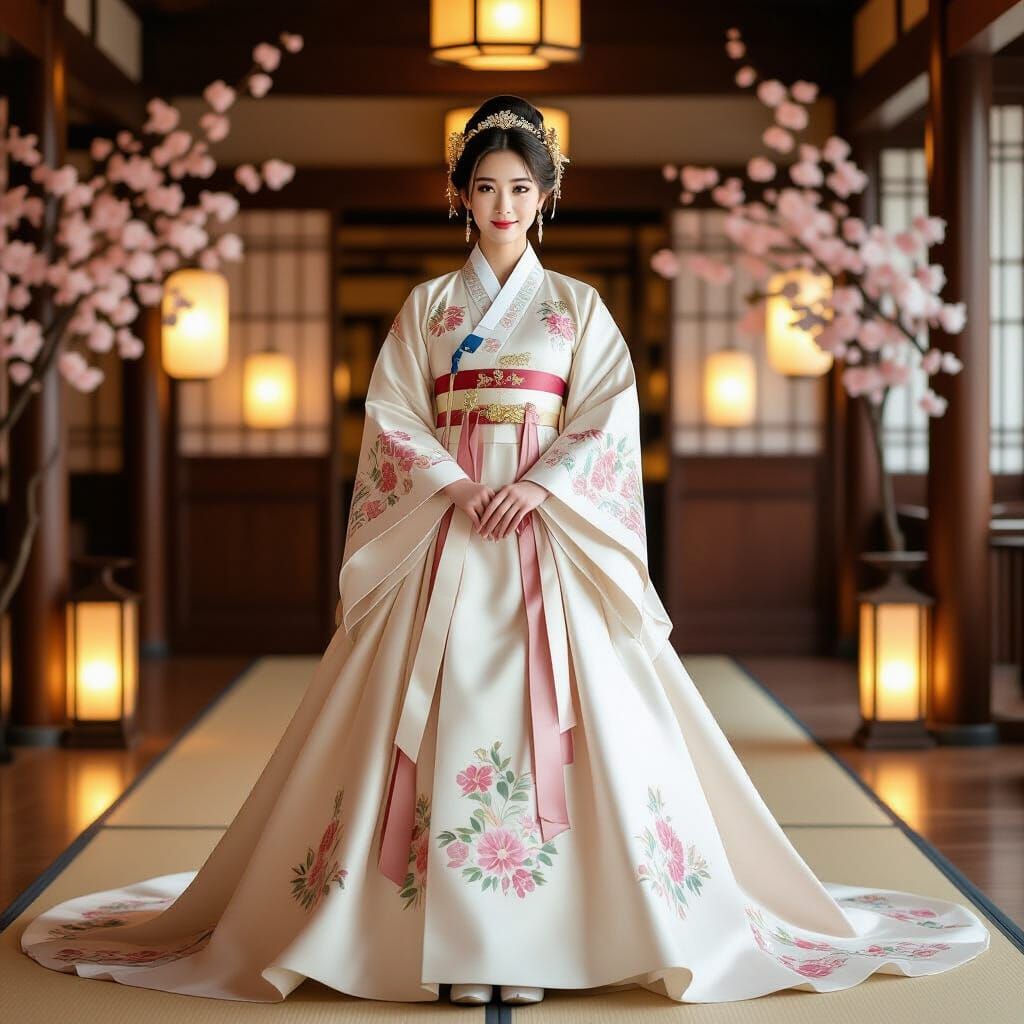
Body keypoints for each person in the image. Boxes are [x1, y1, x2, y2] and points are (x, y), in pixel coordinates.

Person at [19, 95, 990, 1008]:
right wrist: (453, 482)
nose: (502, 205)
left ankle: (547, 941)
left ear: (547, 194)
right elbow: (392, 414)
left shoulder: (577, 308)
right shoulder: (427, 307)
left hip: (542, 527)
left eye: (521, 188)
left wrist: (538, 484)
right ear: (460, 194)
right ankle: (417, 938)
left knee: (567, 718)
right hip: (447, 522)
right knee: (420, 716)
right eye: (484, 187)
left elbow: (607, 416)